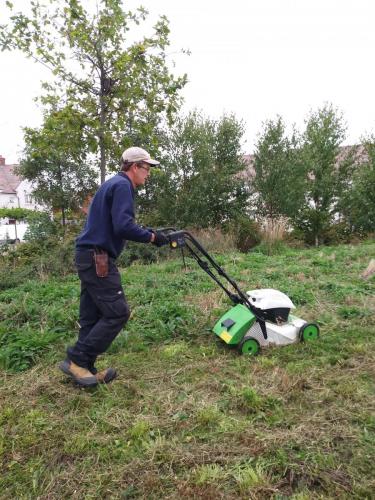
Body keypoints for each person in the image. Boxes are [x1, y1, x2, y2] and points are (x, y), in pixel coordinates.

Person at [59, 147, 169, 387]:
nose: (148, 174)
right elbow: (123, 226)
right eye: (147, 168)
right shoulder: (123, 186)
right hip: (98, 258)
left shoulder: (113, 184)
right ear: (134, 166)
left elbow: (119, 223)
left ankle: (85, 368)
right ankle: (76, 360)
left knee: (92, 316)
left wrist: (149, 232)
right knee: (117, 312)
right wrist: (152, 237)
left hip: (88, 255)